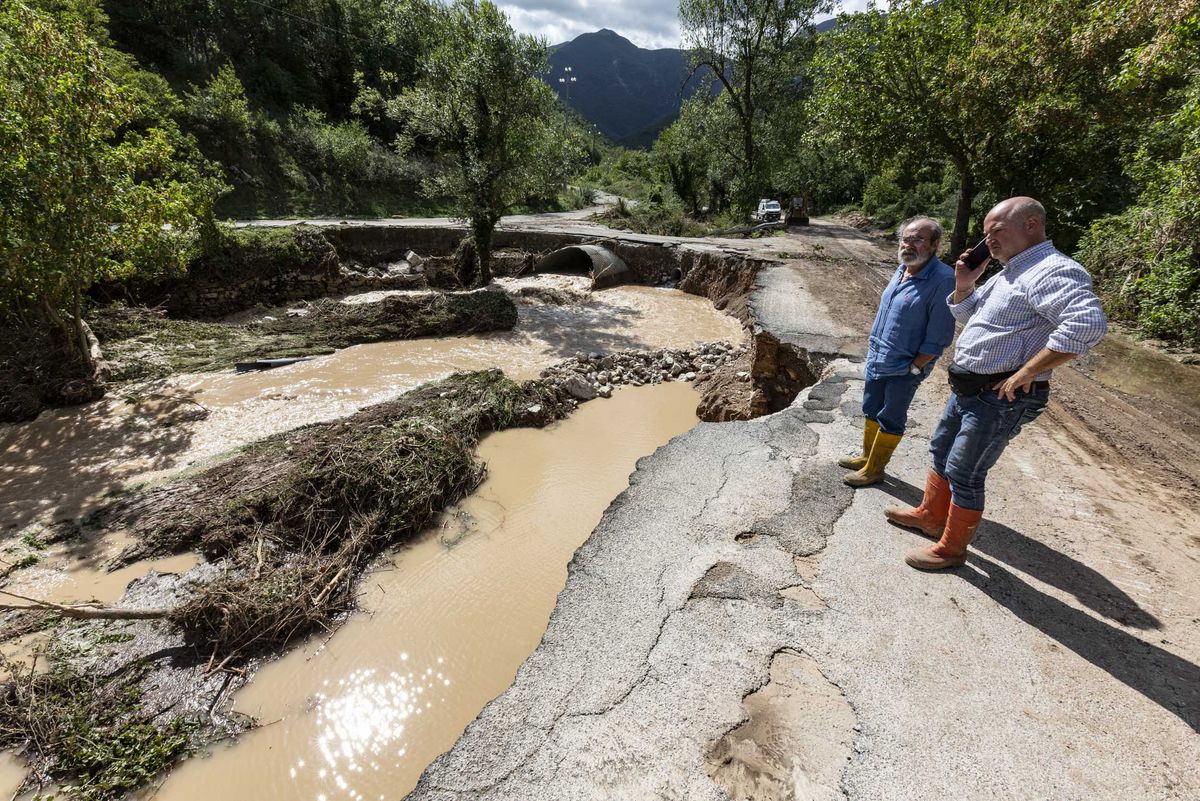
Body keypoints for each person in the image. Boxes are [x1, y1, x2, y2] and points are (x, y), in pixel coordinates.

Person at [890, 197, 1108, 570]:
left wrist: (1027, 372)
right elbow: (969, 315)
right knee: (941, 451)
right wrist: (964, 285)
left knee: (966, 471)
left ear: (1031, 225)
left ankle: (951, 550)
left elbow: (1087, 325)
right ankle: (929, 515)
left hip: (1000, 397)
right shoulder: (1010, 272)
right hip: (971, 389)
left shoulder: (1052, 271)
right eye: (986, 233)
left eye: (997, 231)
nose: (988, 240)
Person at [840, 216, 957, 487]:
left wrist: (915, 367)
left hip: (905, 366)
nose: (909, 244)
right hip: (879, 358)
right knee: (871, 408)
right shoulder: (902, 268)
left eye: (918, 239)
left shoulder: (943, 280)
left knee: (891, 416)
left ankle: (875, 470)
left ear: (935, 244)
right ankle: (867, 458)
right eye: (906, 238)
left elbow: (939, 336)